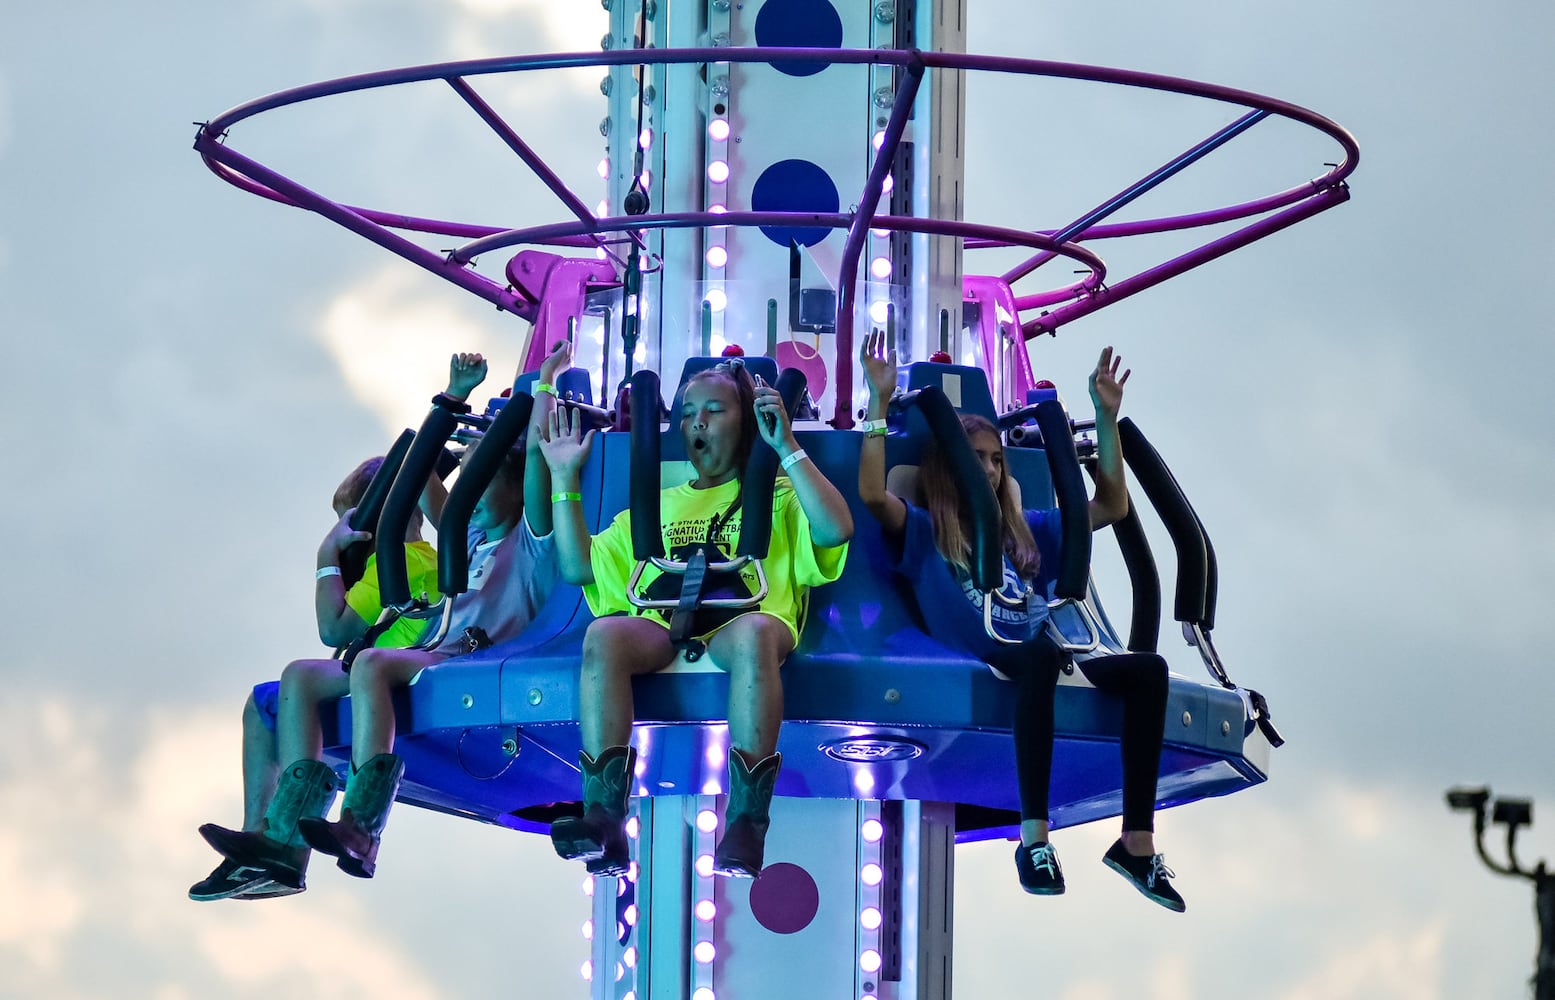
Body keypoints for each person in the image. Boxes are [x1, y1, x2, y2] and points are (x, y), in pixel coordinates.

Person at [197, 347, 565, 896]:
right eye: (469, 484)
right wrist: (452, 398)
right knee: (301, 675)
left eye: (485, 482)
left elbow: (536, 460)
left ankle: (363, 825)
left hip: (482, 653)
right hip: (442, 651)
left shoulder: (528, 540)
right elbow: (421, 474)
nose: (471, 495)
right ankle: (284, 837)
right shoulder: (465, 533)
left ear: (512, 487)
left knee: (370, 663)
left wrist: (545, 388)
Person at [857, 332, 1184, 912]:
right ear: (946, 465)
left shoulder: (1021, 530)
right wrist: (879, 407)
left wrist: (1107, 420)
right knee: (1036, 659)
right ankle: (1034, 838)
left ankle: (1136, 842)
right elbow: (872, 496)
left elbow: (1108, 507)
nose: (986, 469)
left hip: (1035, 647)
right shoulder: (927, 528)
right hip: (982, 648)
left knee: (1148, 672)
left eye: (995, 460)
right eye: (974, 458)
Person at [538, 360, 853, 878]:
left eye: (712, 410)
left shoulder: (777, 498)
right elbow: (578, 567)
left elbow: (836, 529)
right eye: (686, 414)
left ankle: (747, 820)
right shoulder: (656, 506)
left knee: (754, 634)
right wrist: (564, 477)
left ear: (745, 419)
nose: (697, 423)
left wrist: (786, 448)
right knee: (604, 635)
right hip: (664, 626)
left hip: (744, 623)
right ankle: (604, 816)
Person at [188, 456, 440, 901]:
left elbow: (334, 628)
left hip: (402, 668)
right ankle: (260, 839)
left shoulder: (401, 560)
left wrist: (327, 557)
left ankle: (287, 840)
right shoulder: (399, 561)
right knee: (264, 702)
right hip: (378, 665)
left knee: (300, 678)